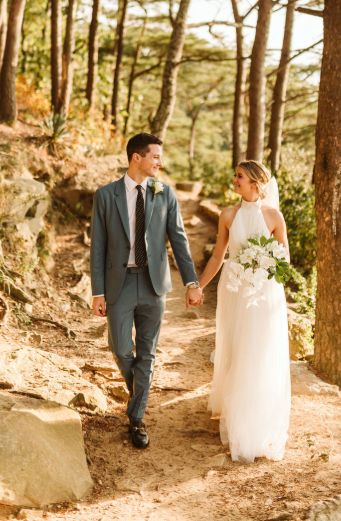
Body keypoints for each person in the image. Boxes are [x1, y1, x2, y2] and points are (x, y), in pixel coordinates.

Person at [90, 132, 203, 450]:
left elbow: (179, 240)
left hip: (155, 285)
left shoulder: (165, 194)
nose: (160, 162)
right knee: (121, 348)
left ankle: (136, 418)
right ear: (136, 157)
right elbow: (97, 247)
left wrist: (191, 283)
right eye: (155, 156)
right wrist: (97, 291)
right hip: (118, 283)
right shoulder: (105, 195)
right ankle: (139, 390)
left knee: (148, 353)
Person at [198, 160, 291, 462]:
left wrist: (263, 267)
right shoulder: (228, 215)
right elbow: (217, 256)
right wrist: (198, 287)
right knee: (237, 348)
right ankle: (234, 411)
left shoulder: (274, 217)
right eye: (236, 175)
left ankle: (256, 422)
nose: (234, 180)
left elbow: (284, 262)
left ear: (255, 182)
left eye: (240, 176)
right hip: (233, 289)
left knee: (258, 352)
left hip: (263, 294)